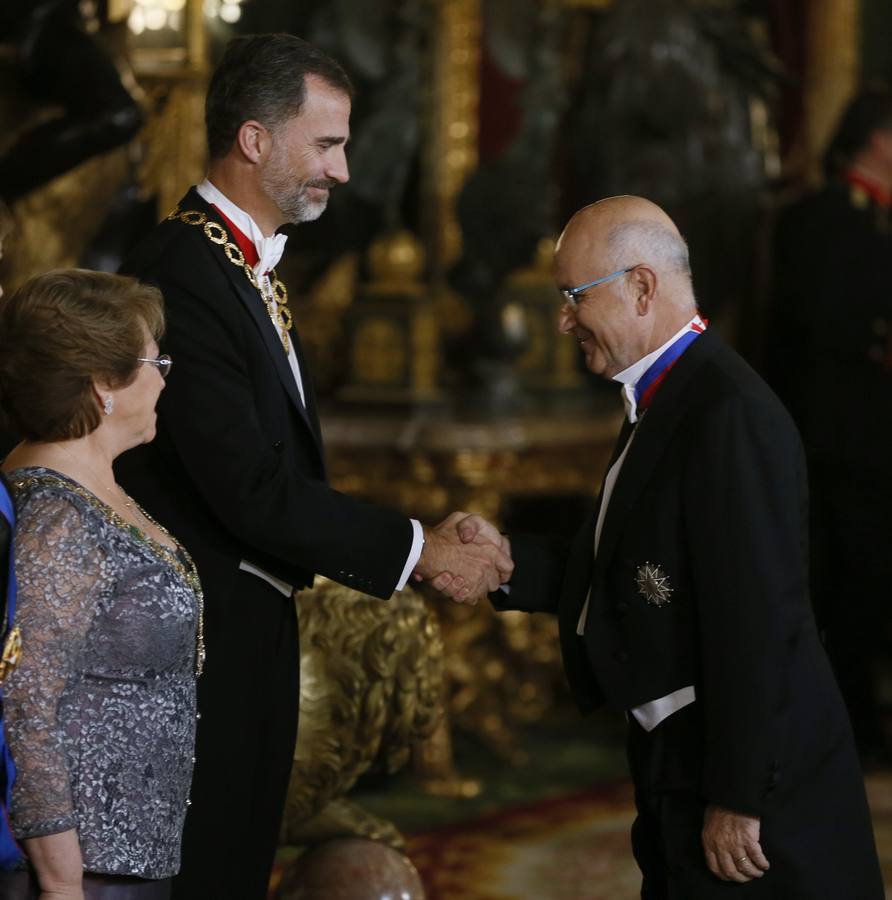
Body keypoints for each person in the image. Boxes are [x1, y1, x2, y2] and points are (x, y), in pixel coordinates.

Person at [118, 33, 510, 900]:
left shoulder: (238, 267)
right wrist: (419, 550)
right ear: (255, 140)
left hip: (244, 639)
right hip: (195, 658)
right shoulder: (183, 271)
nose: (341, 168)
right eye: (326, 143)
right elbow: (249, 490)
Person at [451, 196, 883, 897]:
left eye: (572, 297)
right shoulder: (669, 396)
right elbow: (637, 568)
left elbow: (759, 622)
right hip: (680, 765)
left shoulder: (727, 414)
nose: (562, 322)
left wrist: (737, 796)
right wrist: (506, 561)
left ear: (642, 287)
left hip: (751, 791)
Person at [0, 269, 203, 900]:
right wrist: (62, 888)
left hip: (131, 857)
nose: (165, 377)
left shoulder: (93, 488)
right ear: (101, 385)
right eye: (153, 361)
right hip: (87, 872)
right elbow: (26, 706)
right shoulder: (57, 515)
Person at [766, 87, 892, 766]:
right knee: (850, 588)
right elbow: (817, 331)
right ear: (878, 137)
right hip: (846, 443)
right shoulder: (821, 219)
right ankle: (853, 730)